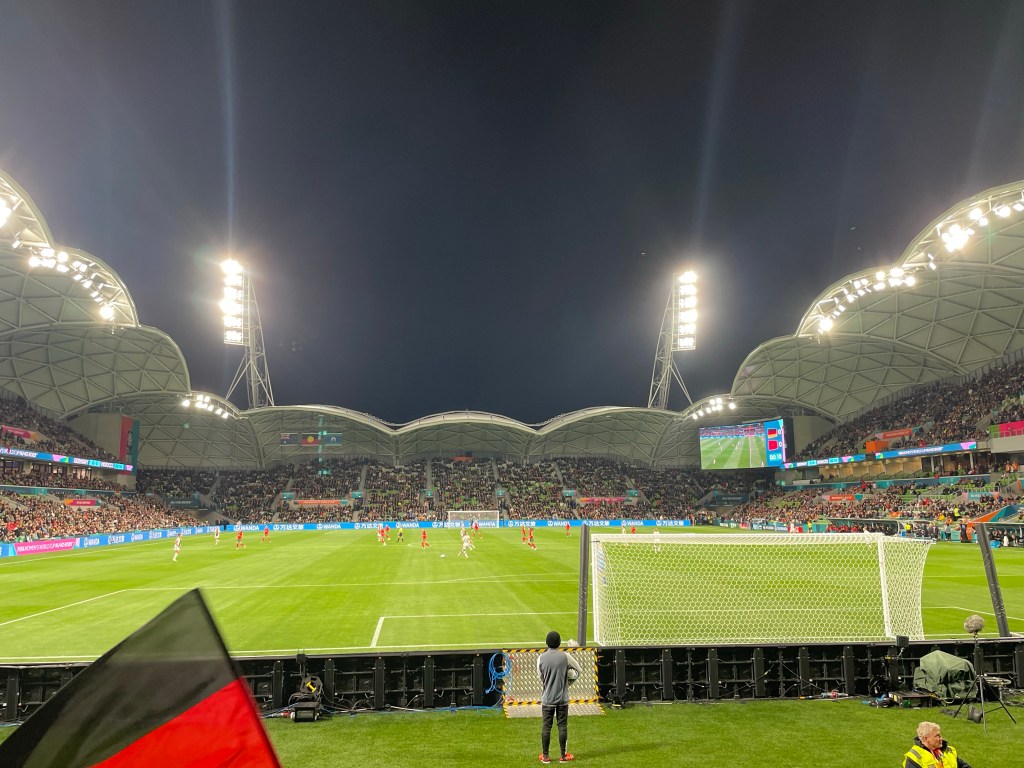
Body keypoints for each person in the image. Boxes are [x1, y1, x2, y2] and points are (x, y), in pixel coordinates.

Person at [537, 630, 581, 764]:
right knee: (562, 726)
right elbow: (578, 670)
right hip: (562, 698)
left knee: (546, 726)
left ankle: (545, 756)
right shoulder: (565, 656)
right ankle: (563, 755)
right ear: (559, 643)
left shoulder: (541, 658)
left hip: (547, 698)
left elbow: (541, 677)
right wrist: (568, 683)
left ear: (547, 643)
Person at [902, 721, 972, 768]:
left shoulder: (948, 751)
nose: (941, 738)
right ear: (926, 738)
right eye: (937, 736)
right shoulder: (914, 758)